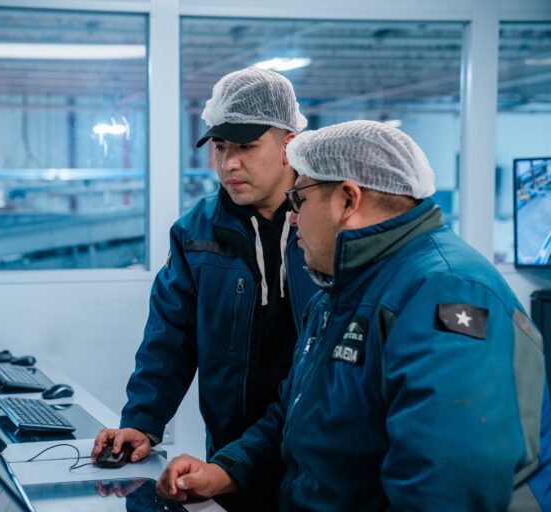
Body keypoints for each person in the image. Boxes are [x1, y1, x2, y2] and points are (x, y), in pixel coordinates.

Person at [156, 120, 551, 510]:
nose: (292, 217)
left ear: (348, 200)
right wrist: (226, 471)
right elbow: (294, 416)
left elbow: (446, 486)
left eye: (300, 200)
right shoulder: (342, 291)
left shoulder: (445, 293)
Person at [91, 67, 320, 508]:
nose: (229, 163)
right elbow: (170, 338)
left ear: (289, 145)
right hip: (229, 456)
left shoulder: (326, 228)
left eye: (247, 146)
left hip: (315, 453)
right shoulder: (195, 232)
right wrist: (143, 421)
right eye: (220, 147)